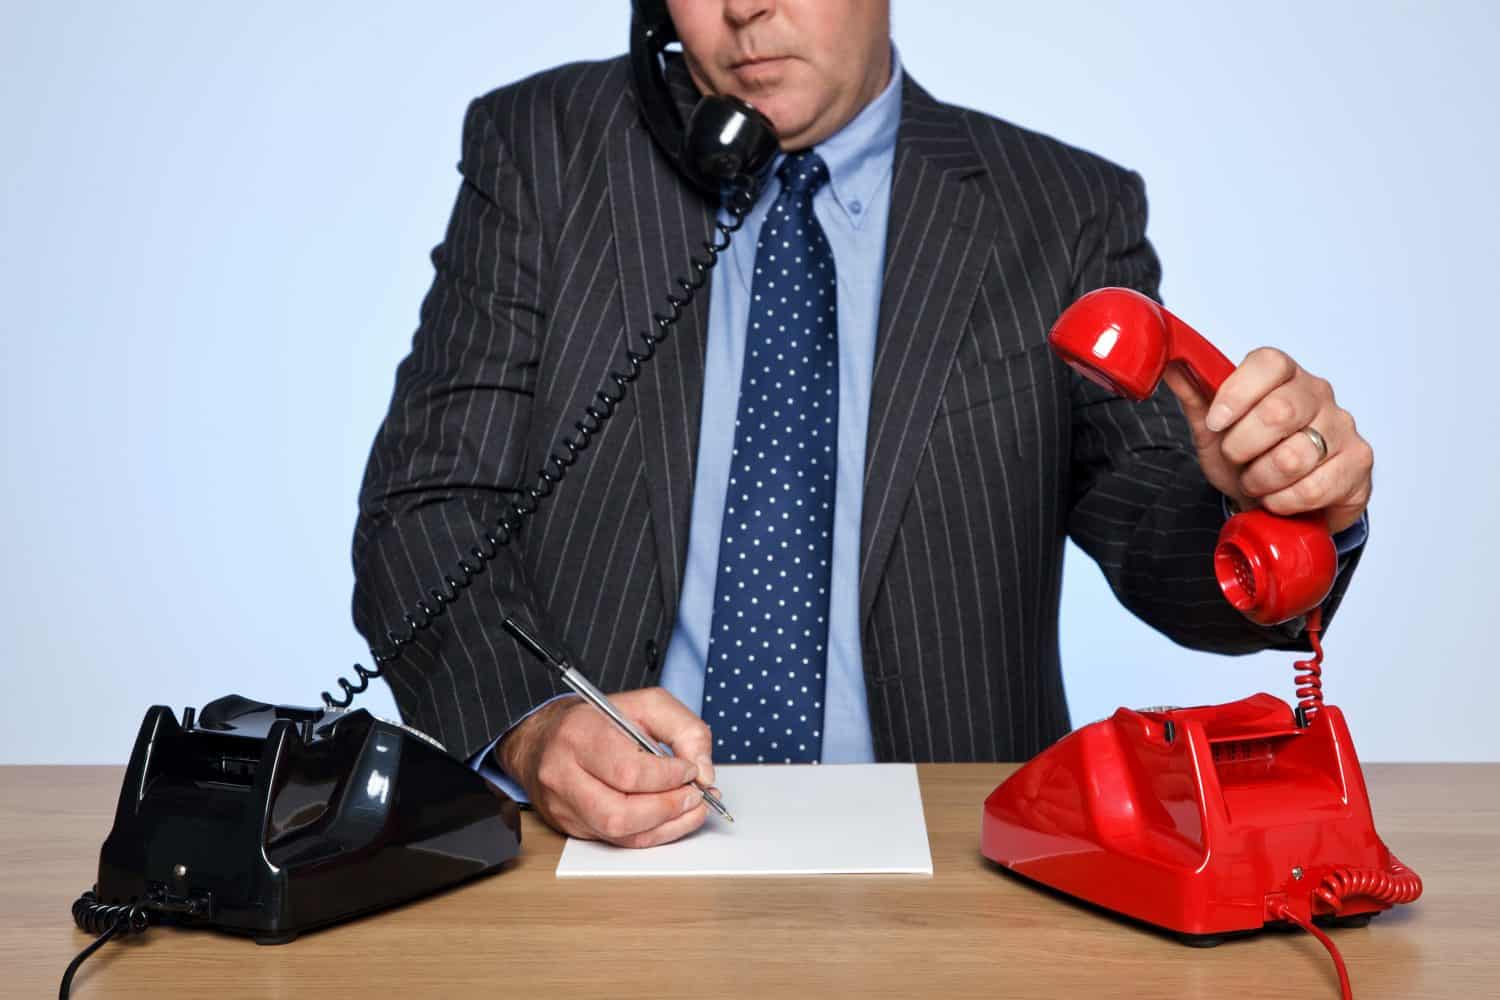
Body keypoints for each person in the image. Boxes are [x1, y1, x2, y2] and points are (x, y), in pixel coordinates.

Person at [351, 0, 1373, 850]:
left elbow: (1158, 536)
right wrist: (531, 725)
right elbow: (427, 506)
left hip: (961, 861)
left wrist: (1274, 506)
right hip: (604, 852)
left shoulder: (1062, 210)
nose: (745, 9)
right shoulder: (548, 151)